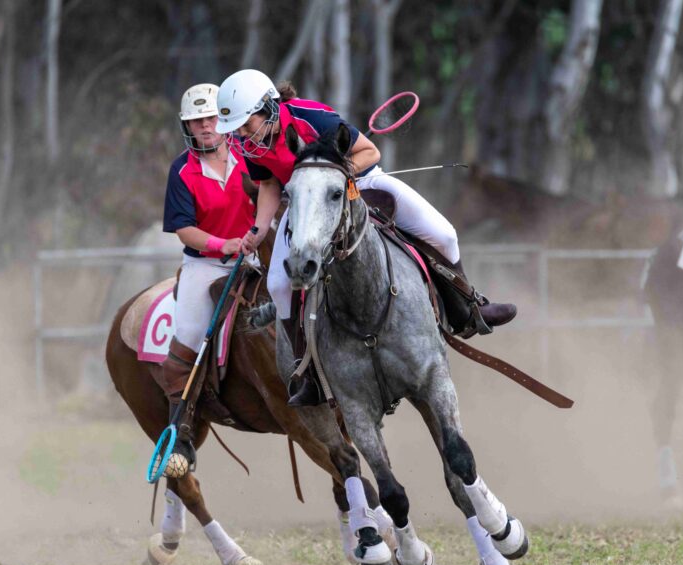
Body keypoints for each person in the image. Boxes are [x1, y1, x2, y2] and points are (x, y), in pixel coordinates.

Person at [213, 68, 516, 406]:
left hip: (364, 184)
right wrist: (257, 230)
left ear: (267, 107)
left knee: (444, 234)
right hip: (306, 206)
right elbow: (269, 184)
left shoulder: (310, 117)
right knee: (280, 285)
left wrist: (336, 176)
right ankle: (308, 371)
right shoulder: (251, 144)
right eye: (236, 128)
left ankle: (468, 310)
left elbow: (370, 152)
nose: (241, 134)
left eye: (245, 123)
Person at [160, 83, 256, 440]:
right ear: (187, 126)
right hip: (207, 264)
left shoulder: (250, 154)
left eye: (211, 117)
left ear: (225, 118)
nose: (205, 125)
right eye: (196, 120)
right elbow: (184, 230)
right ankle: (179, 430)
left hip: (257, 256)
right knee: (187, 334)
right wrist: (225, 244)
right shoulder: (181, 171)